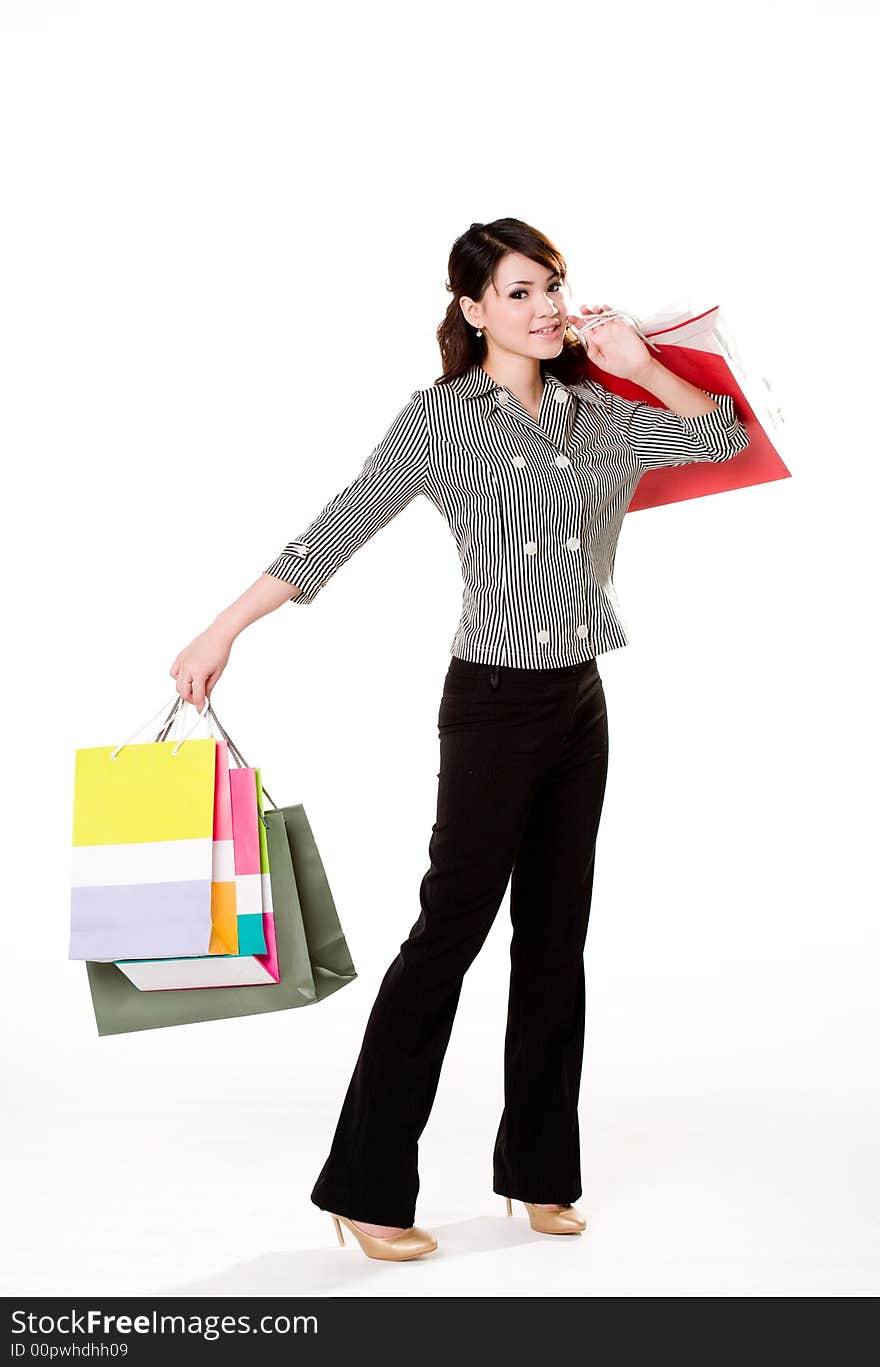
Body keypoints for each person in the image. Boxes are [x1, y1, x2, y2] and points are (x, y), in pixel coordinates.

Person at [169, 217, 750, 1263]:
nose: (544, 309)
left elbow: (724, 438)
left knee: (554, 940)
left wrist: (641, 361)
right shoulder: (441, 420)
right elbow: (338, 523)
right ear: (473, 308)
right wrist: (222, 627)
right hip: (490, 703)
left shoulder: (593, 410)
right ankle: (365, 1184)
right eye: (519, 292)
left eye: (553, 288)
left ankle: (538, 1175)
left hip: (578, 700)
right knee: (448, 936)